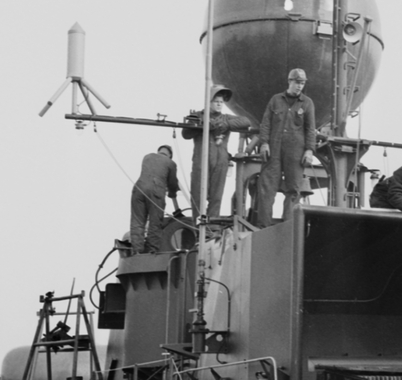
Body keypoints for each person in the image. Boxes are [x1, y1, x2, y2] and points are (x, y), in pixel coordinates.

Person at [183, 85, 257, 221]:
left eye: (221, 102)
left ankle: (212, 227)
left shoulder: (226, 118)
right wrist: (203, 125)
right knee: (198, 196)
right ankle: (197, 228)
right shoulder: (199, 116)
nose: (219, 104)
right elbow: (185, 133)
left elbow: (246, 121)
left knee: (216, 197)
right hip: (201, 161)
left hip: (220, 161)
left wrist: (227, 125)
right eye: (216, 101)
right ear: (209, 102)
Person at [257, 68, 319, 226]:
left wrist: (309, 150)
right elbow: (266, 123)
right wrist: (264, 143)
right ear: (289, 81)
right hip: (273, 150)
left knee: (293, 189)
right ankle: (263, 227)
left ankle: (289, 228)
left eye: (302, 83)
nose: (299, 86)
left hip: (296, 152)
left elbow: (310, 129)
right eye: (297, 83)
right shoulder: (275, 100)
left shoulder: (307, 103)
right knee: (267, 187)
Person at [129, 145, 183, 253]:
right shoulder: (170, 163)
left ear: (158, 152)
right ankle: (152, 251)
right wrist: (172, 194)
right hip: (156, 191)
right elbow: (172, 185)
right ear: (170, 155)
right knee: (155, 223)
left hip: (138, 189)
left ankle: (137, 251)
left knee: (137, 222)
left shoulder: (147, 157)